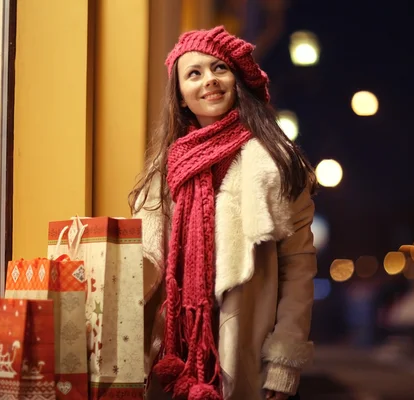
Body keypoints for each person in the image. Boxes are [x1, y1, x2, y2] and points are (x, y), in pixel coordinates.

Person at [129, 26, 317, 400]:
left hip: (245, 353)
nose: (209, 81)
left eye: (219, 69)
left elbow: (298, 267)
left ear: (237, 80)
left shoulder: (275, 164)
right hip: (169, 360)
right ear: (181, 95)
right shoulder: (161, 174)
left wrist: (283, 364)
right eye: (194, 73)